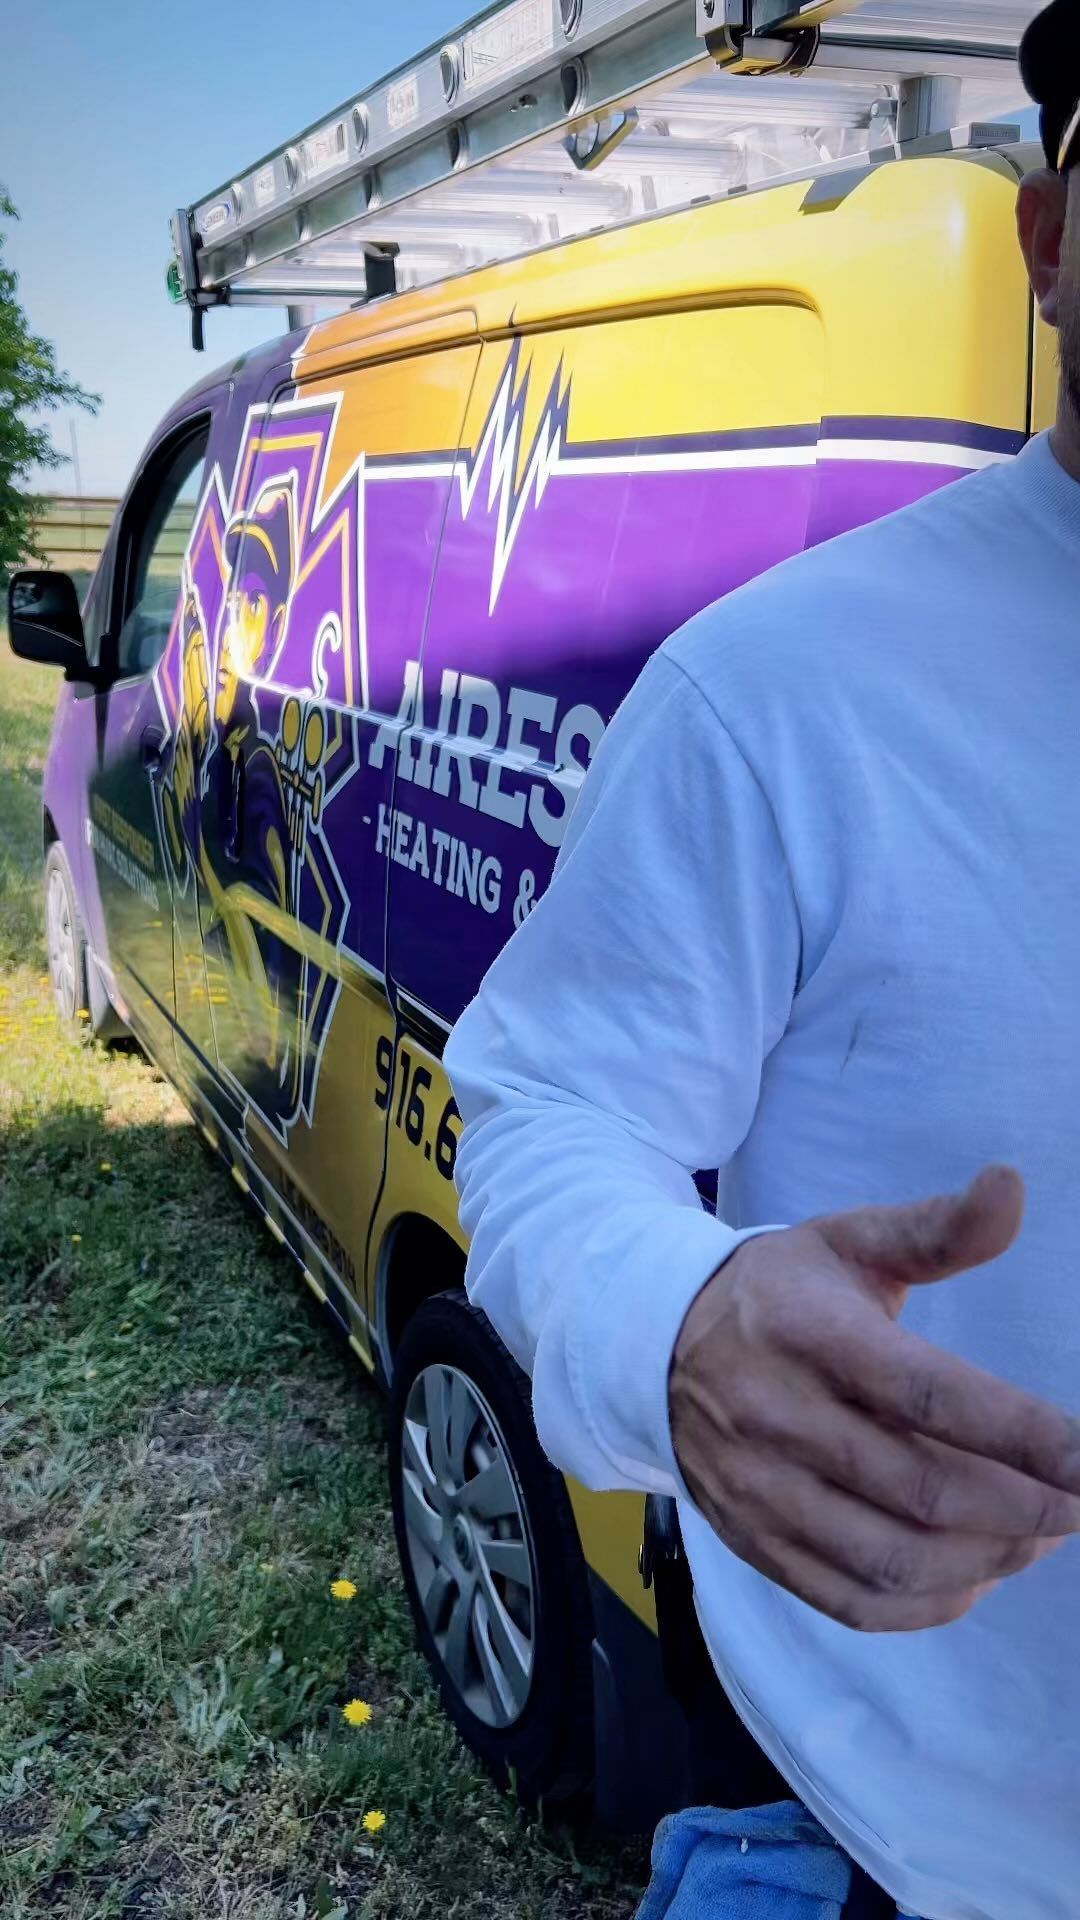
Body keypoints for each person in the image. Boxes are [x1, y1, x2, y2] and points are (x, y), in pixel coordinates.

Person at [444, 6, 1080, 1916]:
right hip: (923, 1841)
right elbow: (549, 1106)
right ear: (1052, 245)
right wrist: (682, 1316)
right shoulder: (779, 686)